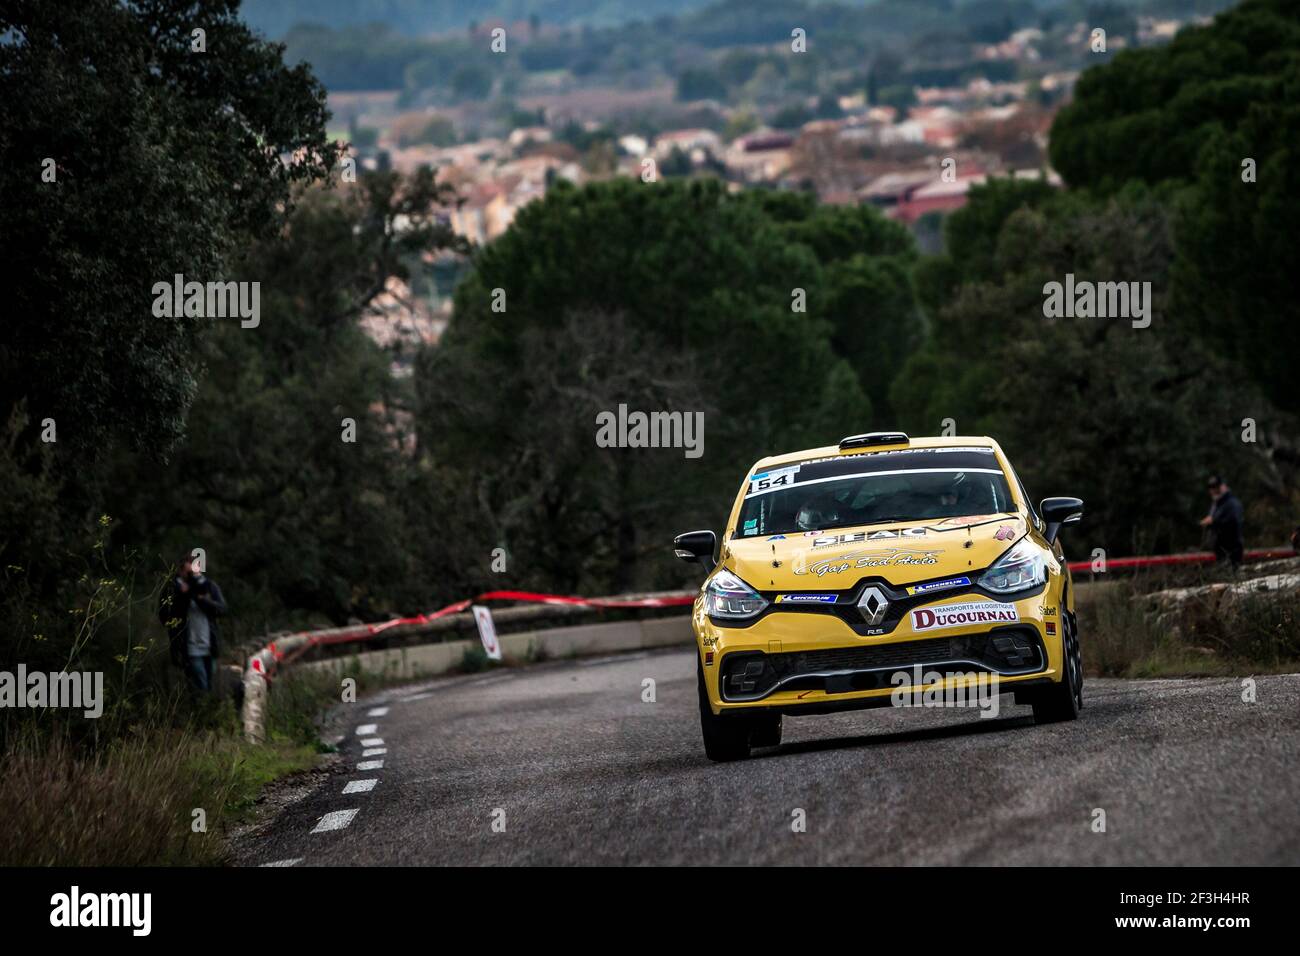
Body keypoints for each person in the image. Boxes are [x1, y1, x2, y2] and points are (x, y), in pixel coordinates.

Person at [158, 552, 227, 692]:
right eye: (188, 573)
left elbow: (222, 610)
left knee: (209, 682)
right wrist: (183, 596)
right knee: (200, 682)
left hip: (209, 643)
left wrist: (199, 597)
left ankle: (205, 710)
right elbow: (164, 617)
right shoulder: (172, 589)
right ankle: (202, 709)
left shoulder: (208, 586)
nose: (191, 577)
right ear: (181, 571)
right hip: (188, 647)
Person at [1199, 475, 1244, 569]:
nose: (1213, 490)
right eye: (1211, 487)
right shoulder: (1216, 504)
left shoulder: (1232, 503)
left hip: (1231, 550)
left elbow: (1233, 523)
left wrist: (1213, 522)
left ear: (1223, 486)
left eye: (1216, 487)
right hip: (1219, 551)